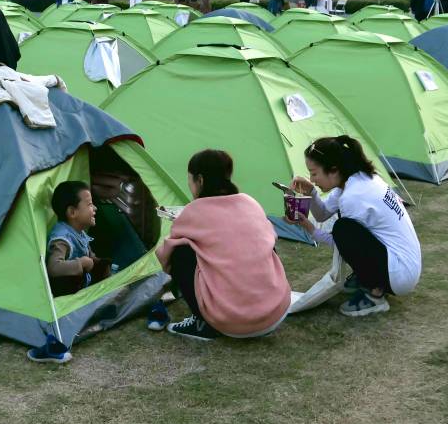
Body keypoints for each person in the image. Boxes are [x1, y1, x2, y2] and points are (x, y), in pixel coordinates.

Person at [28, 181, 171, 363]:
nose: (95, 208)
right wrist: (81, 263)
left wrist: (95, 263)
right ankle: (150, 302)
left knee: (109, 268)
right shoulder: (62, 238)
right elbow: (53, 268)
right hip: (70, 294)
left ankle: (151, 301)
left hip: (85, 286)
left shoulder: (78, 232)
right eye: (89, 204)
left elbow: (90, 257)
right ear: (72, 212)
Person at [156, 149, 292, 341]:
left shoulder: (194, 211)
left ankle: (201, 323)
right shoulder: (250, 202)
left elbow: (165, 256)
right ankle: (263, 299)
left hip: (231, 322)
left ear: (200, 180)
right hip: (275, 313)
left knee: (179, 251)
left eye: (190, 179)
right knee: (262, 243)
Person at [285, 136, 421, 317]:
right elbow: (322, 214)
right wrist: (311, 192)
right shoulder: (358, 179)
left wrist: (310, 229)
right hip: (404, 264)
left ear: (334, 170)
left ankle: (375, 295)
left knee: (343, 228)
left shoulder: (354, 196)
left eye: (314, 173)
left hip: (399, 274)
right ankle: (370, 277)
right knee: (346, 228)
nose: (312, 179)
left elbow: (342, 244)